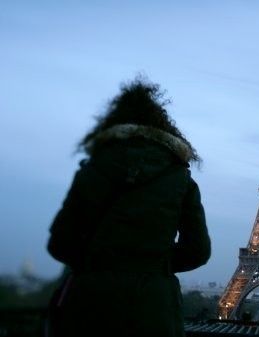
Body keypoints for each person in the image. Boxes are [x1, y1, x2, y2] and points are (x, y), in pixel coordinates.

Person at [46, 78, 211, 337]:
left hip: (88, 306)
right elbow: (198, 251)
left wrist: (98, 261)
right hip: (152, 307)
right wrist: (155, 264)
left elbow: (59, 243)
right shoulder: (181, 179)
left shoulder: (92, 171)